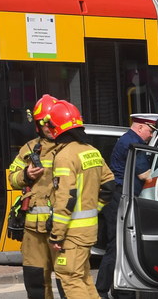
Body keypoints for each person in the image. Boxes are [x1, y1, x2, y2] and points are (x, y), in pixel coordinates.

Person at [44, 100, 109, 299]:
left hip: (71, 233)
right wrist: (92, 208)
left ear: (57, 128)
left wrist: (56, 235)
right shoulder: (91, 151)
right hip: (88, 231)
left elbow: (66, 199)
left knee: (70, 278)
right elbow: (108, 187)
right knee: (83, 277)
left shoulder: (65, 156)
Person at [96, 112, 158, 299]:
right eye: (150, 130)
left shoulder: (129, 139)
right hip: (119, 197)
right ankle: (101, 290)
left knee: (121, 244)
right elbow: (145, 175)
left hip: (120, 196)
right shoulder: (134, 143)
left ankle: (120, 289)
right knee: (117, 245)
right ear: (140, 127)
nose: (151, 135)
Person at [6, 94, 61, 299]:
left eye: (51, 123)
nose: (48, 127)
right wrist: (25, 175)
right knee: (35, 281)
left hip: (61, 226)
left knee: (68, 280)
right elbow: (12, 178)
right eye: (43, 123)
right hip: (32, 229)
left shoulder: (70, 149)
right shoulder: (28, 149)